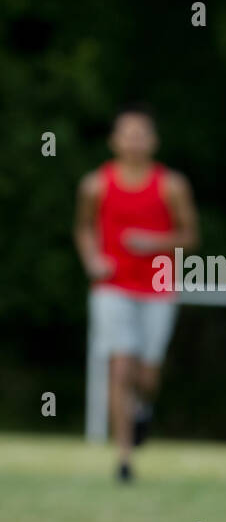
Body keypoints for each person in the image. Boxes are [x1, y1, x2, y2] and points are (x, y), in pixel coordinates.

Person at [74, 103, 199, 482]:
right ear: (114, 140)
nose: (134, 141)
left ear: (153, 141)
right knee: (119, 364)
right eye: (127, 133)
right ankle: (124, 457)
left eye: (141, 133)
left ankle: (143, 410)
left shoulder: (172, 185)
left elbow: (190, 237)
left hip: (158, 287)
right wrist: (92, 259)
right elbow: (83, 228)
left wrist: (154, 241)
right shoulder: (95, 184)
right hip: (112, 287)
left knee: (146, 375)